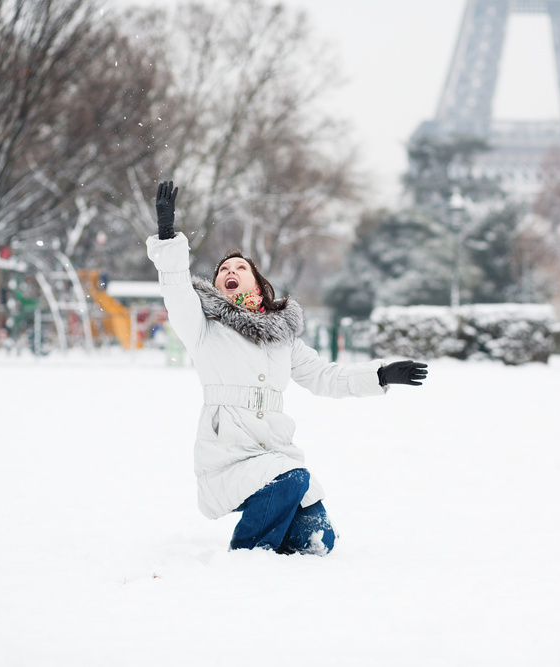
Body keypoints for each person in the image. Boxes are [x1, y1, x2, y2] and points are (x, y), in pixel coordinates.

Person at [145, 181, 428, 556]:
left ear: (260, 288)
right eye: (223, 270)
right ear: (217, 286)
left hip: (273, 449)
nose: (230, 270)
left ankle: (274, 546)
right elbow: (178, 290)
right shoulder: (204, 328)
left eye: (239, 267)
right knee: (293, 478)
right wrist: (168, 239)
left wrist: (379, 375)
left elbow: (327, 377)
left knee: (319, 542)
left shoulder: (283, 339)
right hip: (228, 452)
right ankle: (248, 553)